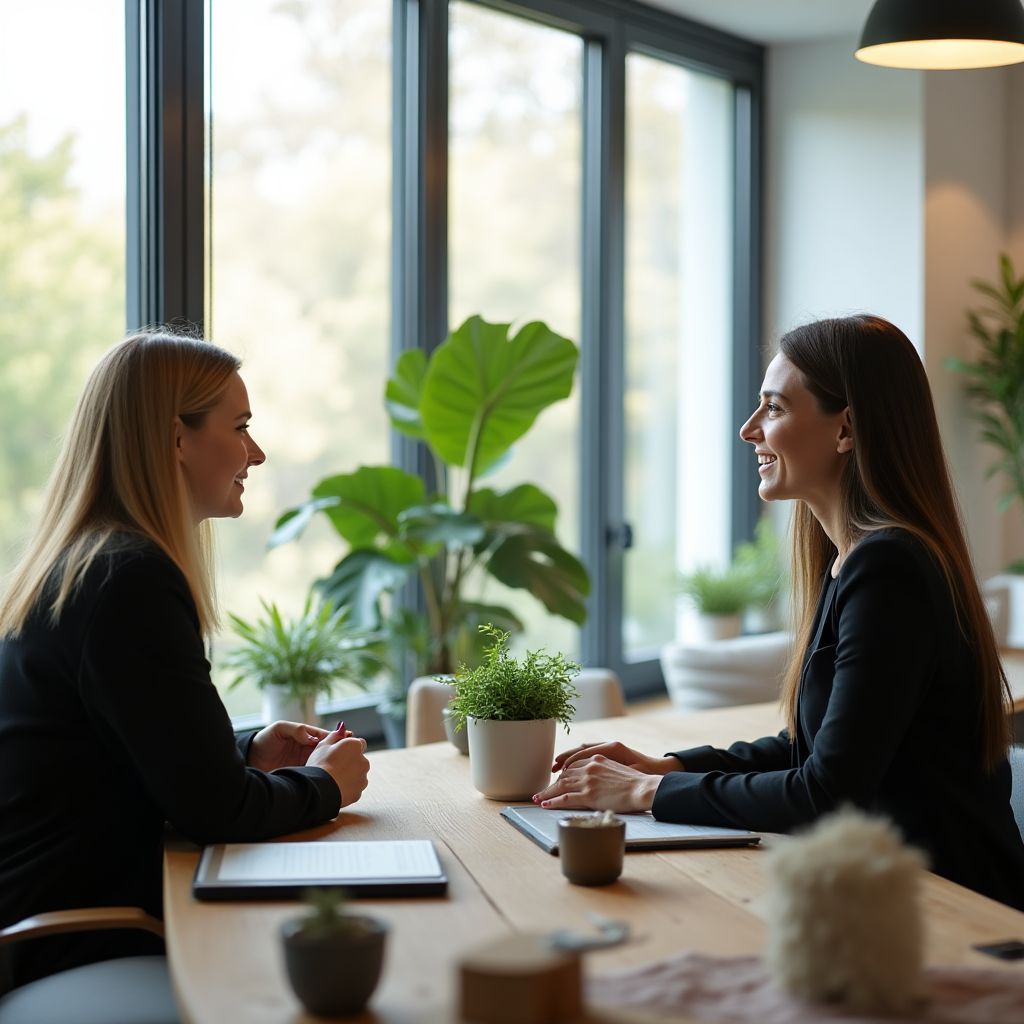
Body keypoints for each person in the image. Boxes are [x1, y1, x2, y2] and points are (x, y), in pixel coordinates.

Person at [535, 314, 1024, 910]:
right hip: (888, 891)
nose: (748, 431)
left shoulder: (891, 568)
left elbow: (825, 793)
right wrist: (665, 765)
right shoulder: (854, 559)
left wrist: (643, 792)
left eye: (774, 408)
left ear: (846, 429)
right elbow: (814, 751)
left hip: (956, 911)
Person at [0, 332, 371, 986]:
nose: (256, 453)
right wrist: (327, 786)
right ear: (177, 440)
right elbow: (216, 813)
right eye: (241, 427)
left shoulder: (89, 564)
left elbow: (119, 754)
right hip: (81, 940)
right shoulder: (128, 583)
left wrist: (245, 750)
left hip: (57, 920)